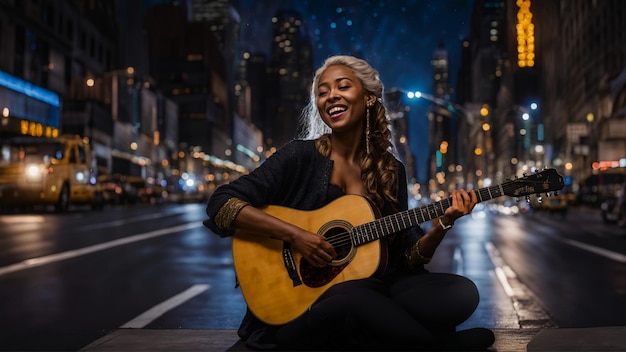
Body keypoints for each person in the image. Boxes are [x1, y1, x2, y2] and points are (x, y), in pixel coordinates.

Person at [204, 55, 495, 351]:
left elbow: (404, 258)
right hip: (303, 302)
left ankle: (375, 330)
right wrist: (297, 236)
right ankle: (442, 346)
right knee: (352, 298)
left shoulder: (391, 170)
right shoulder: (299, 156)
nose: (331, 96)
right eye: (323, 92)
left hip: (371, 287)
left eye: (343, 86)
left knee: (461, 293)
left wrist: (442, 225)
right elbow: (221, 203)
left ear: (369, 98)